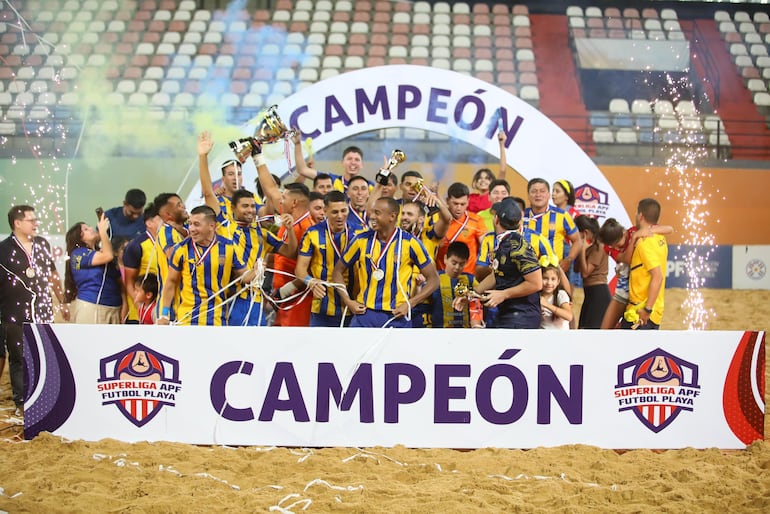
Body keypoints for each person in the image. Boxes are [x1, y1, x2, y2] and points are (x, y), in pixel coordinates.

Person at [0, 205, 69, 415]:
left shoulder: (41, 244)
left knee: (45, 352)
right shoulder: (4, 250)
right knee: (18, 355)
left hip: (43, 309)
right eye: (31, 220)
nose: (36, 223)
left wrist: (62, 300)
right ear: (17, 223)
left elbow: (52, 274)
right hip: (14, 311)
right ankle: (21, 401)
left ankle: (46, 394)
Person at [332, 197, 439, 328]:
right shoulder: (360, 240)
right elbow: (337, 271)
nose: (371, 216)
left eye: (377, 213)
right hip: (364, 315)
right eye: (372, 212)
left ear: (392, 216)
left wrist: (410, 303)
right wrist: (348, 301)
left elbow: (434, 280)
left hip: (397, 316)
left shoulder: (410, 243)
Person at [158, 205, 254, 326]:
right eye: (190, 223)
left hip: (217, 319)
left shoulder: (229, 247)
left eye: (196, 224)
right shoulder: (181, 249)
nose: (191, 229)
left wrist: (258, 270)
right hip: (186, 320)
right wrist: (164, 314)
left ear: (211, 226)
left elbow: (245, 277)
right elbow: (170, 282)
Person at [458, 197, 542, 329]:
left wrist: (504, 294)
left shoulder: (518, 246)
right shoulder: (505, 243)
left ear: (496, 219)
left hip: (521, 315)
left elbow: (536, 283)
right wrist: (472, 294)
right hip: (508, 313)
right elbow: (497, 275)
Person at [295, 190, 360, 327]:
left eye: (344, 211)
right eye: (335, 212)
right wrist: (310, 281)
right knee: (319, 348)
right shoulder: (312, 233)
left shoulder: (360, 233)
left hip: (354, 306)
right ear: (325, 211)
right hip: (322, 308)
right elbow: (300, 270)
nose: (340, 216)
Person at [597, 218, 673, 329]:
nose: (615, 248)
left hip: (639, 293)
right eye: (612, 246)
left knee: (627, 327)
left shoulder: (634, 230)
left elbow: (669, 229)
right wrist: (634, 239)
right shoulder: (609, 246)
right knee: (605, 330)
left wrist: (650, 231)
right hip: (624, 291)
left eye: (617, 244)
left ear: (624, 233)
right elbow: (626, 259)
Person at [64, 214, 126, 324]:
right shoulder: (78, 254)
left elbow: (120, 283)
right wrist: (102, 231)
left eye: (89, 227)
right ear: (79, 237)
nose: (91, 228)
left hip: (115, 308)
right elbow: (108, 256)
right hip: (92, 306)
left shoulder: (101, 253)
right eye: (86, 229)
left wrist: (124, 305)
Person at [620, 199, 668, 330]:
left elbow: (657, 276)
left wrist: (647, 309)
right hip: (653, 310)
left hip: (641, 313)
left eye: (636, 212)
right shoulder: (660, 238)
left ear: (640, 216)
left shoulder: (644, 243)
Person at [523, 178, 581, 274]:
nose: (538, 195)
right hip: (526, 273)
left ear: (548, 195)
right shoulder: (521, 216)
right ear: (528, 195)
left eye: (542, 191)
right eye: (534, 191)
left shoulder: (562, 216)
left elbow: (577, 241)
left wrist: (569, 260)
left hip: (553, 273)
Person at [293, 130, 372, 192]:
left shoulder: (369, 186)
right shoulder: (331, 180)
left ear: (362, 164)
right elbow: (302, 170)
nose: (353, 162)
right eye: (349, 159)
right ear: (342, 162)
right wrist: (297, 144)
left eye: (357, 160)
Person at [152, 193, 189, 321]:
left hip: (184, 304)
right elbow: (174, 256)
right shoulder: (167, 231)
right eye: (179, 205)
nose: (184, 206)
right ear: (168, 215)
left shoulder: (183, 230)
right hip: (170, 307)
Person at [122, 204, 162, 323]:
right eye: (160, 219)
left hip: (161, 310)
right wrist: (141, 307)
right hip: (140, 314)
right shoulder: (137, 246)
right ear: (149, 223)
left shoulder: (169, 242)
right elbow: (129, 282)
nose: (165, 222)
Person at [435, 182, 486, 274]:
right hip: (442, 275)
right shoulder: (437, 219)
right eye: (455, 203)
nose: (459, 208)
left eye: (463, 204)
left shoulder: (476, 220)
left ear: (468, 202)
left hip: (467, 276)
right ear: (447, 201)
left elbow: (485, 245)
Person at [431, 241, 482, 328]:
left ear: (466, 262)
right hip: (439, 332)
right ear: (445, 259)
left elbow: (480, 300)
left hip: (464, 332)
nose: (457, 267)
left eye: (461, 264)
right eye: (454, 263)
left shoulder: (470, 280)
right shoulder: (435, 279)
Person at [574, 215, 610, 329]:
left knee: (593, 331)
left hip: (599, 294)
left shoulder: (598, 247)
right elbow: (576, 269)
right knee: (583, 329)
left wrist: (583, 250)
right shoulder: (589, 247)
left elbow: (585, 273)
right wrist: (580, 250)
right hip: (589, 294)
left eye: (577, 233)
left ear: (585, 233)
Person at [468, 130, 508, 213]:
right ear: (475, 182)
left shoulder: (494, 196)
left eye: (487, 178)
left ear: (492, 182)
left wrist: (501, 145)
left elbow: (503, 170)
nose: (483, 180)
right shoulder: (469, 197)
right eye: (480, 178)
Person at [539, 265, 572, 330]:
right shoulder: (536, 295)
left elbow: (569, 316)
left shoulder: (560, 294)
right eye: (545, 278)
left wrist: (546, 305)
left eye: (553, 279)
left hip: (560, 336)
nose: (549, 282)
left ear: (558, 282)